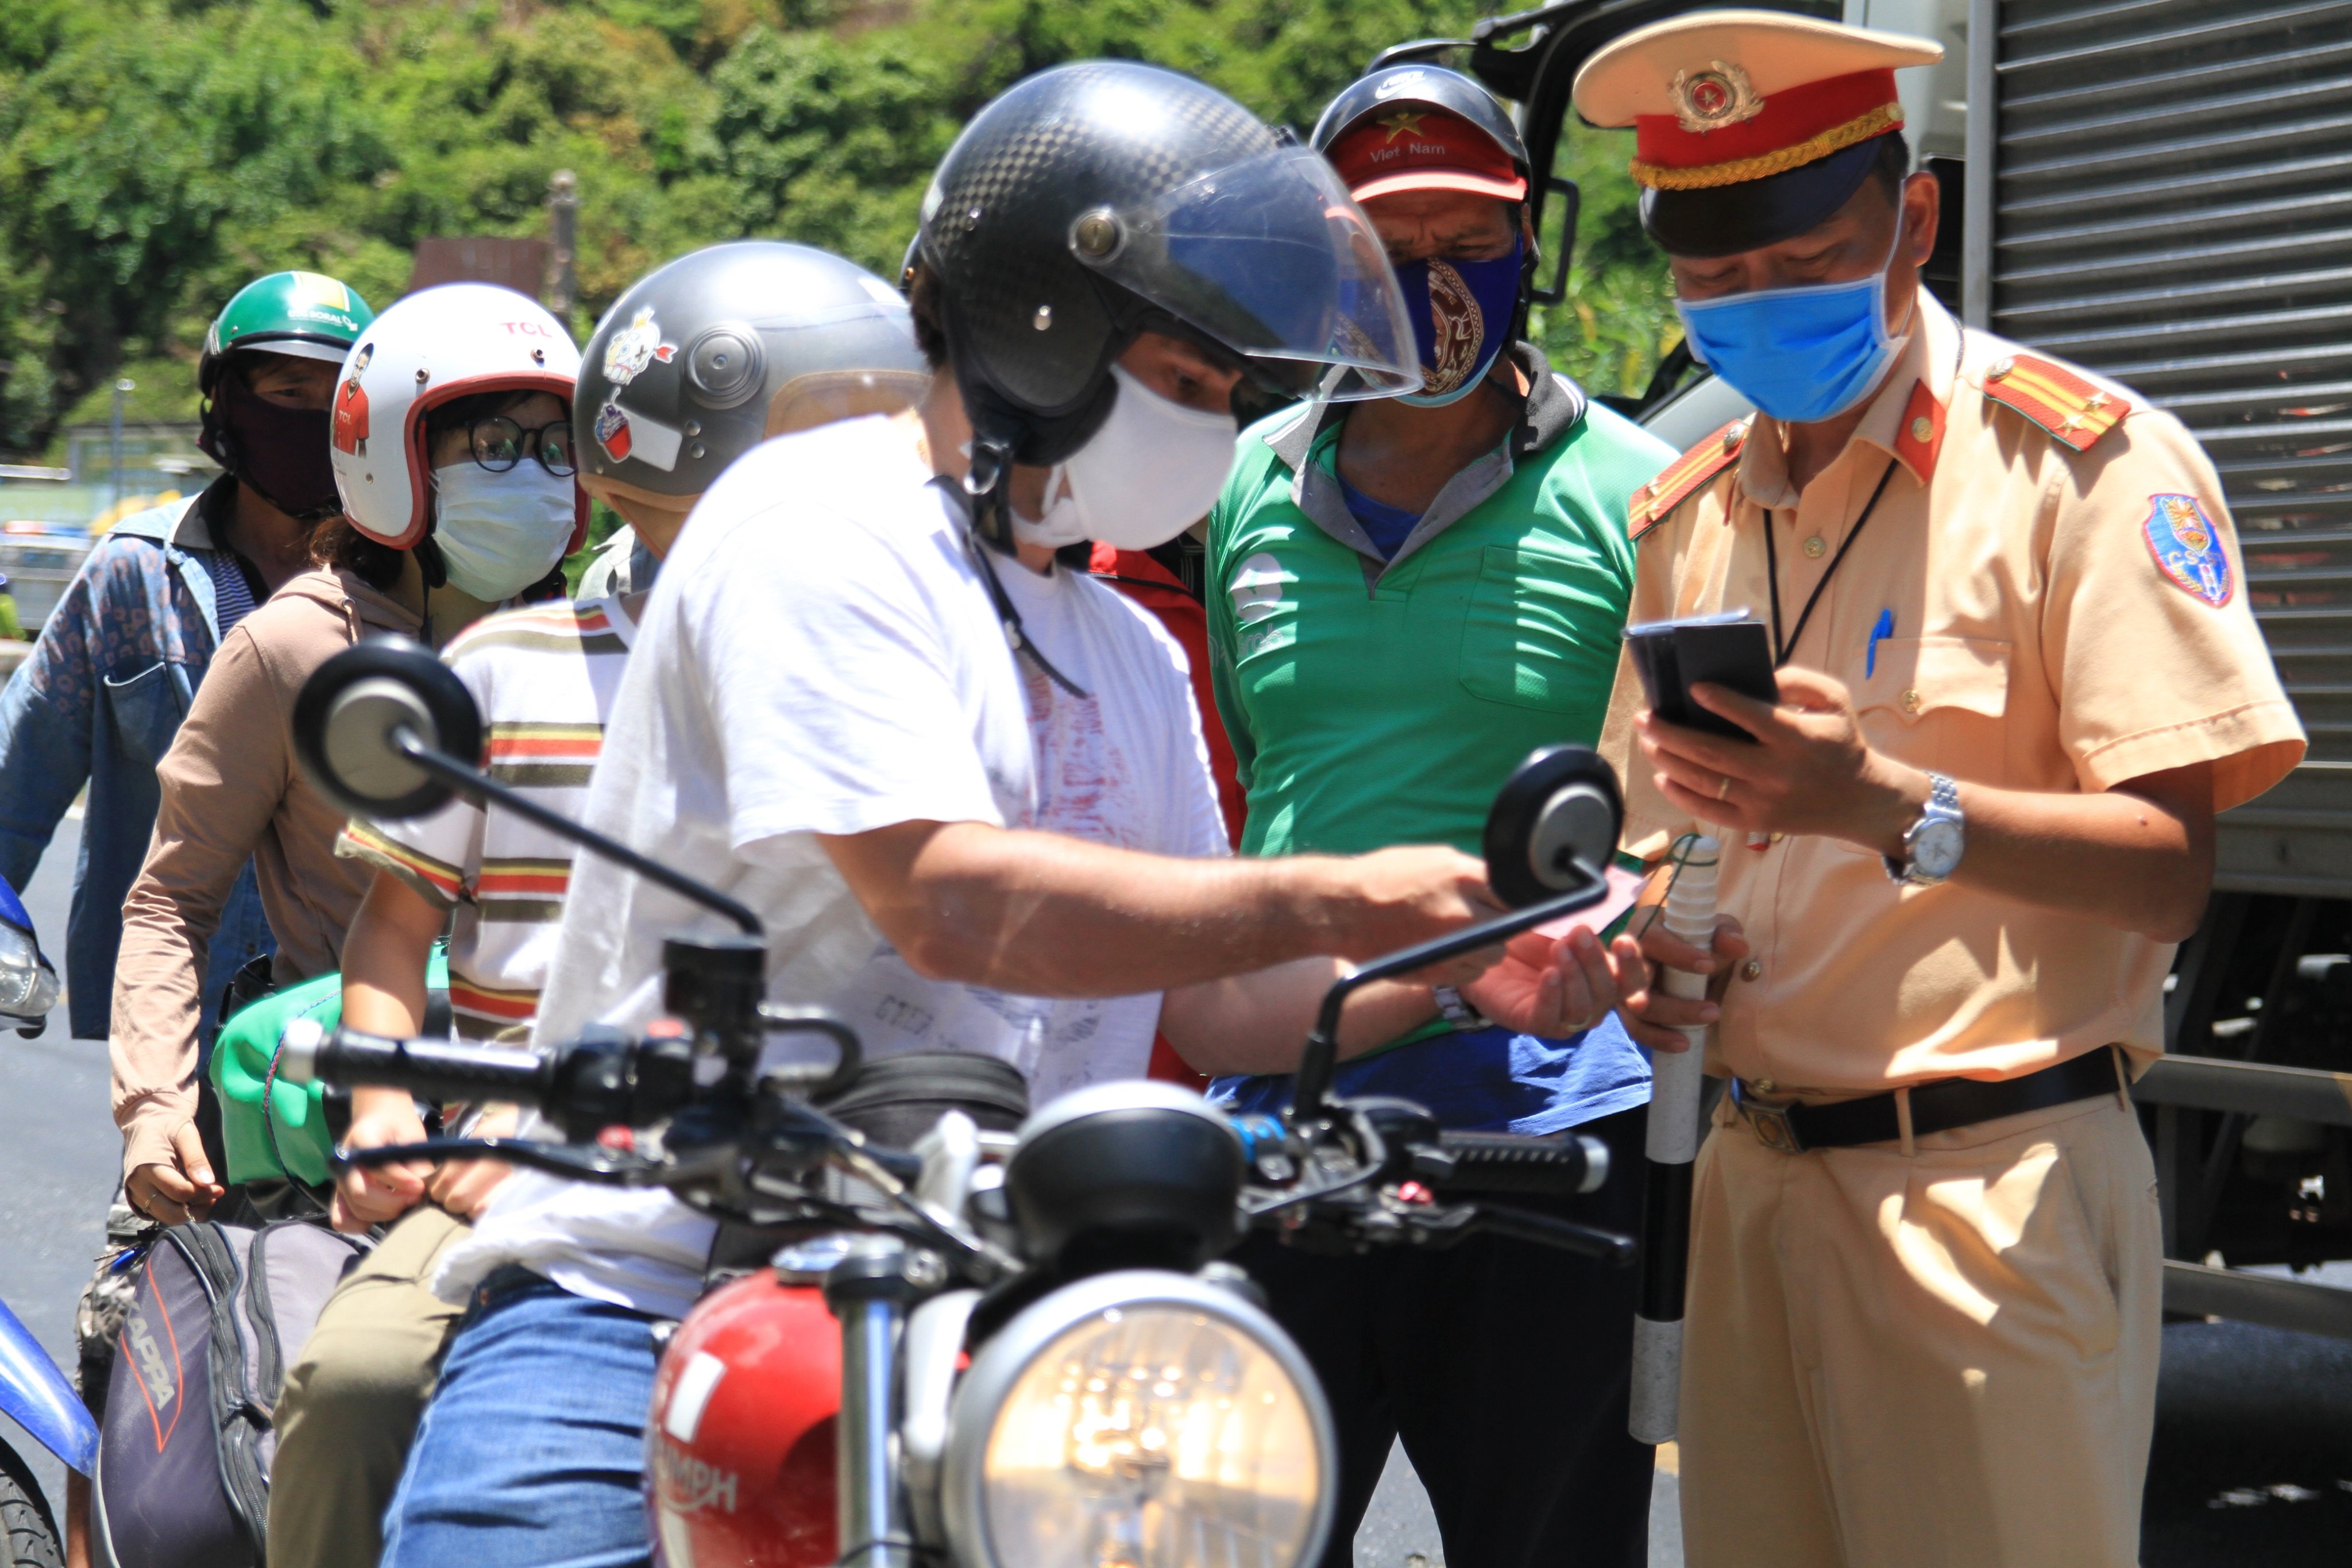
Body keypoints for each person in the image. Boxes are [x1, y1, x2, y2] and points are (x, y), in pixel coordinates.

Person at [371, 62, 1609, 1566]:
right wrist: (1365, 894)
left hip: (1008, 1321)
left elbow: (1220, 1008)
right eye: (1192, 382)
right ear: (1046, 327)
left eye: (1232, 395)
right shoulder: (815, 519)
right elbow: (955, 900)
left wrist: (1470, 951)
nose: (1218, 433)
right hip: (657, 1285)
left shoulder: (1130, 652)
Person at [1574, 14, 2305, 1567]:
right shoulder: (1690, 513)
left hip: (1992, 1188)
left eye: (1798, 266)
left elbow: (2171, 868)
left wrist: (1894, 807)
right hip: (1749, 1185)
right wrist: (1648, 946)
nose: (1753, 310)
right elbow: (1651, 842)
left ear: (1913, 222)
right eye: (1714, 283)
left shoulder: (2085, 469)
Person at [260, 242, 931, 1568]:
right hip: (520, 1140)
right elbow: (392, 928)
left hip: (820, 1143)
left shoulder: (885, 670)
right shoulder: (509, 663)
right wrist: (394, 1111)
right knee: (356, 1385)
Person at [1192, 64, 1669, 1568]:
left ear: (1540, 246)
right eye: (1392, 249)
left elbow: (1677, 814)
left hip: (1554, 1133)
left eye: (1475, 239)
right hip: (1286, 1127)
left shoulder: (1643, 495)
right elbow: (1258, 766)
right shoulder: (1240, 492)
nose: (1437, 281)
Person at [112, 281, 586, 1230]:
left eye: (553, 449)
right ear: (393, 461)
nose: (532, 479)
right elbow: (172, 897)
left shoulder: (589, 648)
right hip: (348, 1134)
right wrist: (153, 1108)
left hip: (561, 1123)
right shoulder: (293, 650)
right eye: (493, 447)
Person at [0, 272, 372, 1049]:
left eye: (335, 397)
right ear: (229, 403)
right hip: (174, 1021)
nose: (310, 419)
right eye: (287, 390)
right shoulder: (133, 574)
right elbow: (19, 775)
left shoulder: (405, 590)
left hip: (354, 1021)